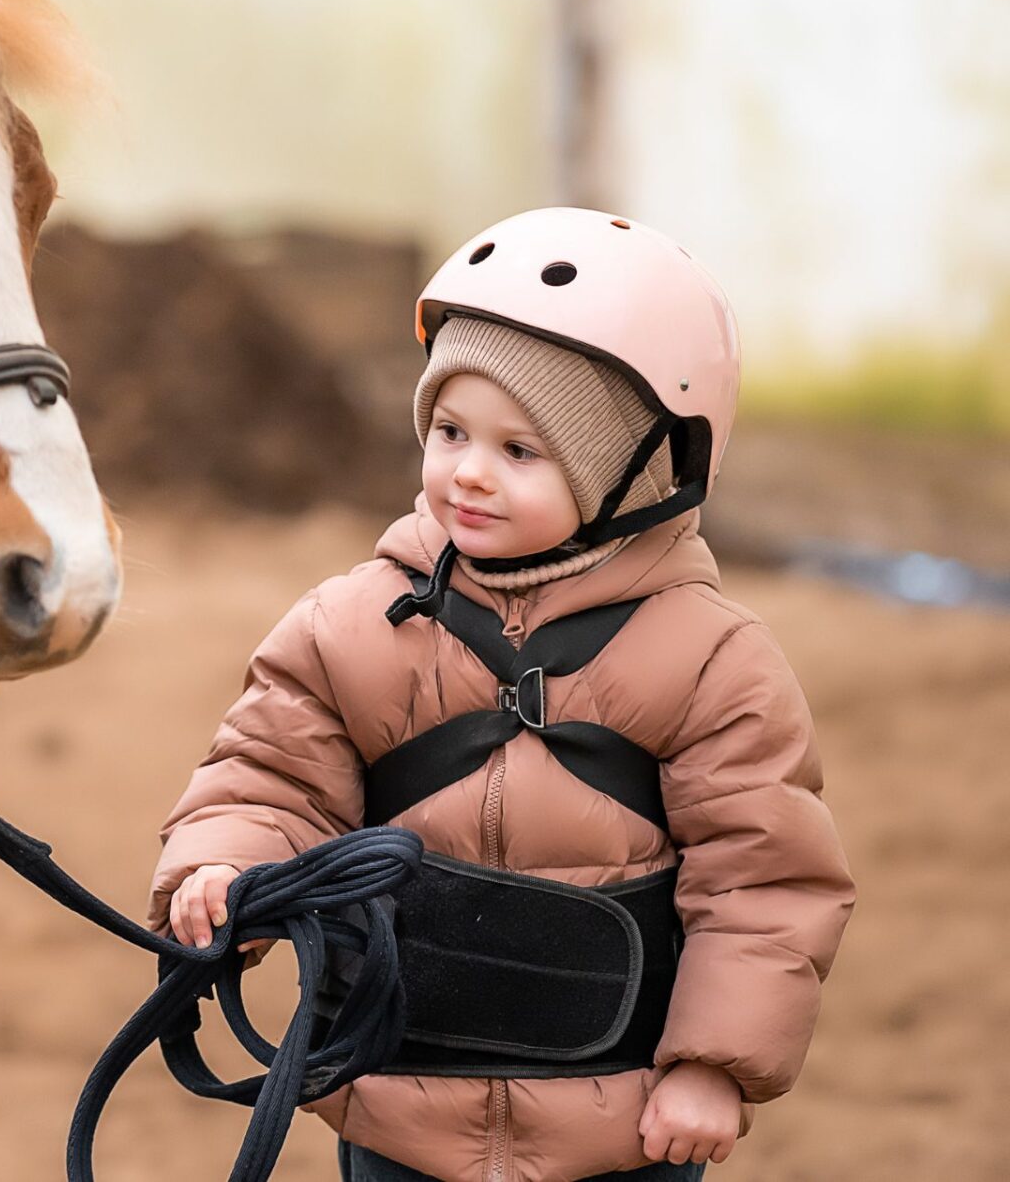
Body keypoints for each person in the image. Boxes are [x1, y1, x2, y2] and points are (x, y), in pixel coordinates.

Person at [146, 208, 855, 1182]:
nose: (469, 472)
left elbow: (764, 878)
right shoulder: (352, 623)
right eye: (449, 431)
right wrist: (228, 871)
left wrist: (712, 1064)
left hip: (623, 1121)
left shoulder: (712, 660)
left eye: (523, 451)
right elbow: (268, 777)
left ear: (636, 471)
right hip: (399, 1102)